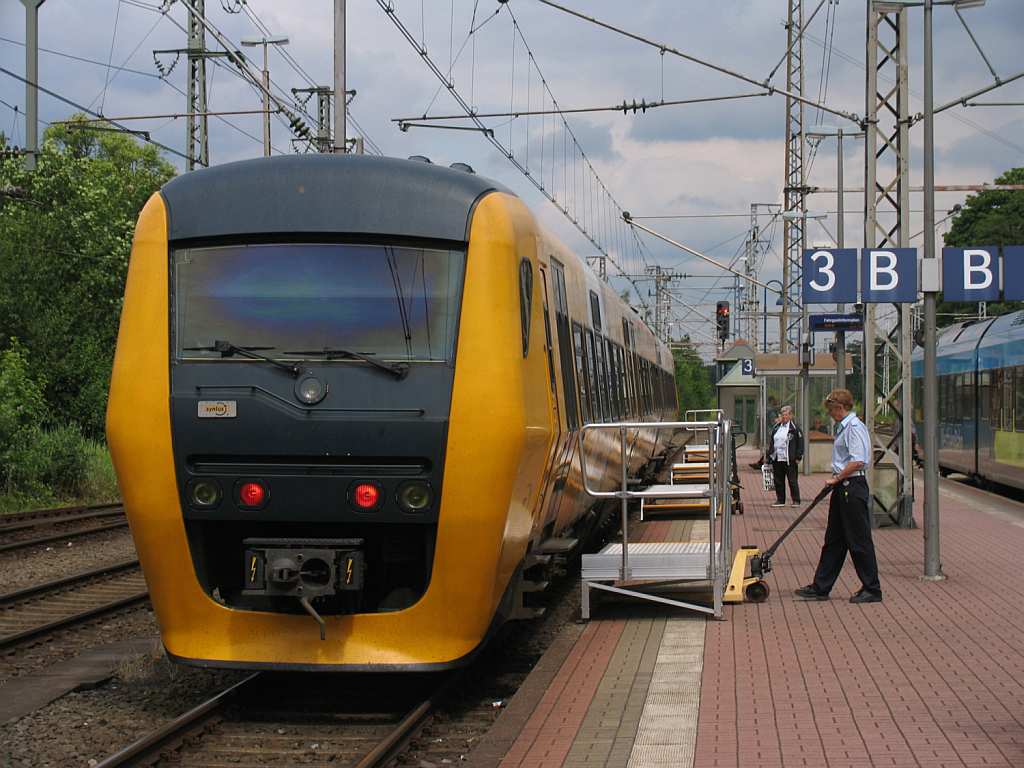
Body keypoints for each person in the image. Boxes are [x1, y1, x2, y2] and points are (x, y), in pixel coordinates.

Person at [795, 388, 883, 604]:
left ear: (840, 407)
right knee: (834, 540)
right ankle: (821, 586)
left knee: (859, 540)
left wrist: (837, 478)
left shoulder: (854, 428)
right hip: (843, 486)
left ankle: (872, 588)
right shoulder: (844, 427)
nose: (829, 414)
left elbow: (858, 460)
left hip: (851, 486)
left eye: (831, 409)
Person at [767, 406, 803, 507]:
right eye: (782, 415)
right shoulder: (777, 427)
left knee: (792, 480)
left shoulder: (795, 429)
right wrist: (770, 455)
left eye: (786, 414)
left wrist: (798, 457)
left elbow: (800, 443)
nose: (784, 416)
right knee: (778, 480)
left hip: (789, 459)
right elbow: (772, 442)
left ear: (791, 415)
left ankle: (796, 500)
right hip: (777, 458)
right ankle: (780, 500)